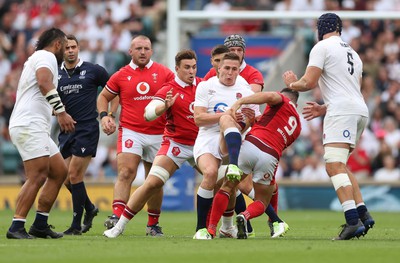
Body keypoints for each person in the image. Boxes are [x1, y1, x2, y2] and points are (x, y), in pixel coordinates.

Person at [282, 12, 375, 240]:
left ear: (320, 29)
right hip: (360, 111)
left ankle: (351, 221)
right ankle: (363, 213)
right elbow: (351, 91)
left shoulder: (322, 47)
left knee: (333, 165)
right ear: (340, 29)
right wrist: (324, 108)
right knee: (341, 164)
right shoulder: (353, 53)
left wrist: (291, 83)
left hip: (342, 111)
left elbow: (309, 82)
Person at [103, 49, 202, 238]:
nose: (191, 71)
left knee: (221, 178)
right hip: (175, 144)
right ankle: (118, 225)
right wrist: (164, 106)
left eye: (194, 67)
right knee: (151, 182)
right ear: (177, 69)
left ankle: (227, 226)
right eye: (187, 67)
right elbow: (148, 113)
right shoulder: (168, 89)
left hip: (199, 145)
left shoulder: (204, 86)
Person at [97, 35, 175, 236]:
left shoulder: (164, 73)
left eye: (146, 48)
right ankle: (116, 216)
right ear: (130, 51)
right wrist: (105, 117)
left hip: (159, 132)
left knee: (154, 179)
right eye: (138, 48)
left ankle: (153, 224)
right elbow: (104, 96)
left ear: (151, 51)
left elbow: (176, 95)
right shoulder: (121, 75)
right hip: (132, 130)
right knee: (126, 172)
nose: (143, 52)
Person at [6, 28, 75, 239]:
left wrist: (53, 109)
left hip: (34, 125)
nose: (66, 51)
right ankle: (16, 226)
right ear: (57, 45)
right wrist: (61, 112)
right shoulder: (46, 57)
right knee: (37, 175)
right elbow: (44, 83)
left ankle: (40, 224)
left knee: (59, 172)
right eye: (65, 47)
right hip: (29, 124)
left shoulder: (37, 57)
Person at [205, 88, 301, 239]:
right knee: (262, 201)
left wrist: (240, 101)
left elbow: (270, 95)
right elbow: (275, 132)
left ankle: (210, 229)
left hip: (252, 145)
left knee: (227, 186)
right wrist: (256, 120)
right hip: (270, 156)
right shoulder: (298, 127)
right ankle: (246, 215)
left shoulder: (281, 99)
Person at [193, 52, 260, 240]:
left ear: (239, 70)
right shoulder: (206, 86)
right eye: (226, 68)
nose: (230, 73)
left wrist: (243, 122)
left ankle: (228, 227)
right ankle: (201, 229)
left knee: (235, 183)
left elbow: (252, 119)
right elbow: (198, 118)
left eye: (234, 69)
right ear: (218, 68)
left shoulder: (245, 90)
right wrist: (226, 116)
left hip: (235, 138)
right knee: (210, 173)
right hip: (209, 136)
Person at [57, 35, 109, 235]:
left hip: (87, 128)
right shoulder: (56, 76)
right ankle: (90, 208)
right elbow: (50, 102)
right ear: (62, 51)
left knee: (75, 174)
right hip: (65, 131)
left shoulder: (93, 70)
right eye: (67, 47)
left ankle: (75, 225)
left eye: (73, 47)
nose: (70, 50)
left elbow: (113, 89)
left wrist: (108, 114)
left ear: (79, 48)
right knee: (65, 178)